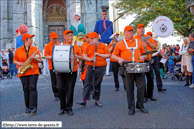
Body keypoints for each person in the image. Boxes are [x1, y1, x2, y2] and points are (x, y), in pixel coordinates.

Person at [111, 25, 148, 115]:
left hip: (139, 66)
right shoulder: (120, 43)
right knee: (129, 88)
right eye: (129, 31)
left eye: (132, 31)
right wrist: (119, 59)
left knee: (142, 86)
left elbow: (145, 54)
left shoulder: (138, 42)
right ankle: (131, 107)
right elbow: (113, 55)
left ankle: (140, 105)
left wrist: (143, 56)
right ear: (125, 33)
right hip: (127, 67)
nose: (131, 33)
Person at [76, 32, 110, 107]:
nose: (91, 40)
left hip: (101, 66)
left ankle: (97, 100)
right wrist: (90, 59)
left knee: (97, 83)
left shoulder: (103, 45)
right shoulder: (87, 46)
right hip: (90, 65)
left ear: (97, 38)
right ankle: (84, 100)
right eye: (90, 38)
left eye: (92, 38)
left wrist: (98, 54)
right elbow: (84, 56)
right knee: (87, 82)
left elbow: (108, 55)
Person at [13, 33, 42, 114]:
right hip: (23, 71)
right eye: (30, 39)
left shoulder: (35, 49)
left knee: (32, 88)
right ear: (26, 40)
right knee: (26, 89)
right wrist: (19, 63)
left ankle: (33, 107)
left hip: (33, 70)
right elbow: (14, 60)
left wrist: (35, 59)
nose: (32, 40)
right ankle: (27, 107)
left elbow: (40, 60)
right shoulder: (18, 50)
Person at [57, 30, 83, 116]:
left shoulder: (75, 46)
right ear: (64, 37)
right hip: (61, 70)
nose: (70, 37)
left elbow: (82, 57)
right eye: (68, 36)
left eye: (71, 36)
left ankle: (69, 108)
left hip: (72, 70)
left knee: (70, 89)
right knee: (60, 88)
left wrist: (77, 56)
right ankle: (62, 107)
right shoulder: (59, 46)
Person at [134, 25, 157, 103]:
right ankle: (144, 96)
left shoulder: (148, 37)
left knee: (150, 78)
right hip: (140, 62)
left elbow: (155, 47)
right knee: (142, 80)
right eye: (140, 28)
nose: (141, 29)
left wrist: (148, 43)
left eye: (143, 28)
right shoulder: (135, 38)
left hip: (148, 61)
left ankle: (150, 94)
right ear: (137, 30)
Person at [94, 6, 113, 76]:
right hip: (100, 41)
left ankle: (107, 72)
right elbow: (95, 31)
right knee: (99, 55)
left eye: (105, 14)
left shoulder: (110, 22)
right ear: (102, 14)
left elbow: (112, 32)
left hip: (108, 41)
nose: (104, 15)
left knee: (107, 56)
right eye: (103, 14)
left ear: (106, 14)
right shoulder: (98, 22)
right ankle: (100, 69)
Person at [44, 32, 60, 101]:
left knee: (60, 80)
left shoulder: (59, 44)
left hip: (60, 65)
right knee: (54, 81)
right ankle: (56, 94)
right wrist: (55, 57)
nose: (55, 40)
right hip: (52, 66)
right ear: (50, 38)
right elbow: (46, 56)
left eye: (56, 38)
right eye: (53, 39)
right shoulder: (47, 46)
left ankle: (61, 93)